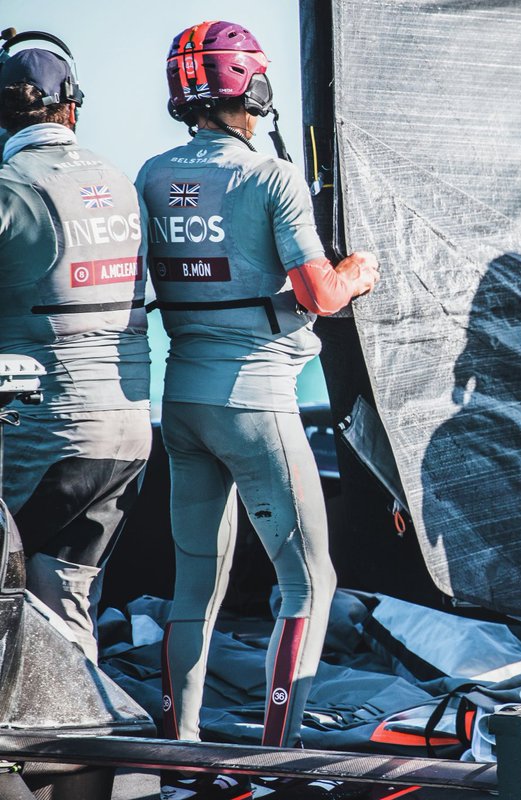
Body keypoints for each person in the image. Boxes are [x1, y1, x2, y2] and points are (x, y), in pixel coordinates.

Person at [138, 19, 379, 798]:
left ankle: (180, 760)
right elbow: (319, 296)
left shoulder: (150, 173)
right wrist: (361, 271)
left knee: (193, 586)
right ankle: (274, 768)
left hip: (182, 401)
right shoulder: (272, 177)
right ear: (252, 85)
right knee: (310, 584)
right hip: (259, 404)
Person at [0, 46, 151, 662]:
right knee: (64, 603)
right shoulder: (119, 179)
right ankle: (84, 754)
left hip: (49, 439)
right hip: (128, 436)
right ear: (73, 105)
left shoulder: (12, 188)